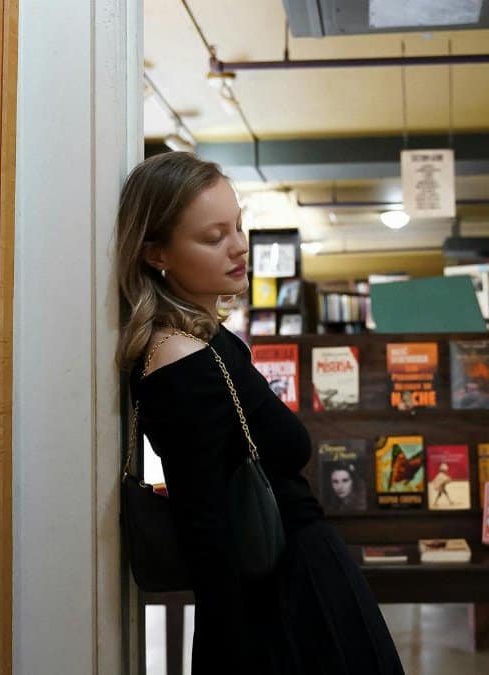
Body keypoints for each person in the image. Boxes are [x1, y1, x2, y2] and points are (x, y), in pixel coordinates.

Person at [117, 152, 404, 675]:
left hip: (295, 581)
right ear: (157, 253)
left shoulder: (208, 339)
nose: (240, 247)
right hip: (279, 601)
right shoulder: (179, 358)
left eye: (238, 226)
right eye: (213, 237)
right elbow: (204, 524)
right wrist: (230, 651)